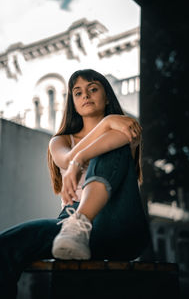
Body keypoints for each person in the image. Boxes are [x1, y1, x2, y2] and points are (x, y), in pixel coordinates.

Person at [0, 69, 150, 298]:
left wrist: (80, 157)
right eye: (77, 93)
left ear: (107, 95)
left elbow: (82, 154)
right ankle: (77, 225)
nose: (85, 96)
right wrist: (106, 123)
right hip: (68, 229)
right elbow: (66, 159)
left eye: (93, 89)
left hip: (119, 223)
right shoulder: (60, 141)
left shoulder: (125, 126)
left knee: (112, 145)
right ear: (73, 102)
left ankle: (82, 221)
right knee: (7, 244)